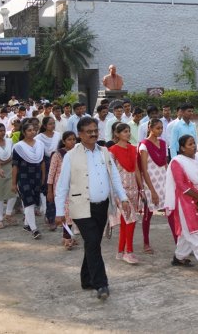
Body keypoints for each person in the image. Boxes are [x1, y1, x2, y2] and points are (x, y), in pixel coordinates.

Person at [55, 117, 130, 300]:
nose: (93, 134)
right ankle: (101, 283)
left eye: (95, 130)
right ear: (80, 134)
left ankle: (86, 278)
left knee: (92, 243)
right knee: (93, 240)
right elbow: (62, 186)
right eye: (89, 131)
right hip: (81, 207)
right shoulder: (71, 156)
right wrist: (58, 212)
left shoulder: (104, 152)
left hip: (102, 206)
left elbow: (114, 176)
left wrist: (123, 198)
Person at [165, 134, 198, 275]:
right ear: (182, 148)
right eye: (189, 144)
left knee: (188, 232)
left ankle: (179, 257)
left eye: (194, 143)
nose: (193, 146)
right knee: (195, 232)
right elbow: (181, 185)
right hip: (185, 201)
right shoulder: (177, 162)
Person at [108, 123, 142, 264]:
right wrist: (114, 193)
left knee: (126, 221)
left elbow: (137, 170)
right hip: (120, 191)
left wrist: (142, 189)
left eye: (128, 131)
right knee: (131, 219)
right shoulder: (112, 151)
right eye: (124, 132)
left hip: (133, 188)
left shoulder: (134, 149)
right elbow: (109, 173)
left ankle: (120, 251)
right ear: (117, 134)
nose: (128, 134)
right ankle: (129, 252)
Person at [138, 118, 170, 253]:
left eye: (161, 128)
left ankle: (180, 241)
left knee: (171, 211)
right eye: (157, 128)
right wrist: (152, 191)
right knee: (148, 213)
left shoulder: (163, 143)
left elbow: (165, 163)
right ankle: (146, 242)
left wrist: (170, 180)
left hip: (163, 179)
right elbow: (144, 170)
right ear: (150, 128)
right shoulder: (144, 145)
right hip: (150, 181)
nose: (160, 131)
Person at [13, 121, 47, 239]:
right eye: (29, 130)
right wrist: (13, 183)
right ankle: (34, 229)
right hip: (23, 177)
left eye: (34, 130)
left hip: (36, 176)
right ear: (24, 132)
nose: (32, 132)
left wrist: (43, 177)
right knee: (29, 202)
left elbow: (42, 162)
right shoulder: (18, 147)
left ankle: (27, 225)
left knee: (34, 201)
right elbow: (15, 166)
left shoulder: (40, 145)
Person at [47, 131, 78, 249]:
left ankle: (69, 236)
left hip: (74, 186)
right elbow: (51, 173)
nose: (72, 142)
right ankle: (67, 238)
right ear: (64, 141)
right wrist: (49, 190)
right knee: (66, 213)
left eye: (74, 139)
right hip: (61, 187)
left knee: (72, 212)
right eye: (69, 139)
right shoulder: (58, 154)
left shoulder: (77, 153)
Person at [36, 117, 62, 229]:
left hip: (57, 162)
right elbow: (39, 153)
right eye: (50, 124)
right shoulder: (39, 138)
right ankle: (50, 217)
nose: (53, 126)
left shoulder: (58, 135)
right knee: (49, 190)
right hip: (44, 164)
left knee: (59, 189)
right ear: (45, 125)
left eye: (53, 123)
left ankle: (58, 216)